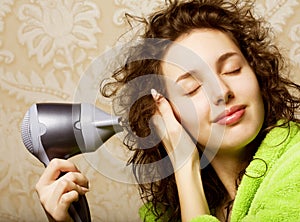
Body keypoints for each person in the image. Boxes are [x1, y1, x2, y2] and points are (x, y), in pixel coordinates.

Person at [35, 0, 300, 221]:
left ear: (257, 71)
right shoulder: (164, 214)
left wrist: (184, 162)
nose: (221, 91)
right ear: (164, 114)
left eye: (232, 69)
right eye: (193, 88)